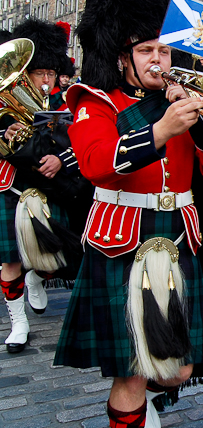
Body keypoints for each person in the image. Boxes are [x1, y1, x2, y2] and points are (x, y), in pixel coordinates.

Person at [53, 0, 203, 428]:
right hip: (122, 236)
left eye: (164, 51)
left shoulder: (182, 101)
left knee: (176, 368)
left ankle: (142, 412)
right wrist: (161, 130)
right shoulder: (96, 100)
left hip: (177, 235)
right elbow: (95, 163)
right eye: (146, 51)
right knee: (130, 373)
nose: (157, 60)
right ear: (123, 57)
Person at [1, 18, 80, 354]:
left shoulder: (65, 103)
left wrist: (61, 158)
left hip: (50, 188)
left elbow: (80, 141)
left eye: (51, 72)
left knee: (52, 253)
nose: (46, 79)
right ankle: (18, 322)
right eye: (39, 73)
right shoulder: (5, 103)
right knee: (9, 261)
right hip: (12, 187)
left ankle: (38, 277)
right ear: (26, 73)